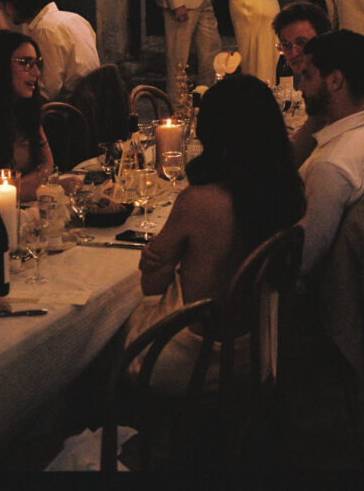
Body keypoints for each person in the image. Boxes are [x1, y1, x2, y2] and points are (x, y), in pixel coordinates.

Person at [124, 75, 306, 394]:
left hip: (196, 363)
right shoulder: (284, 193)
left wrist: (154, 263)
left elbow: (151, 288)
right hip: (256, 353)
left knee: (108, 334)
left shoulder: (197, 202)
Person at [272, 1, 364, 193]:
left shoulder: (335, 83)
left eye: (302, 43)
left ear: (324, 39)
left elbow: (296, 156)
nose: (294, 53)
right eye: (286, 45)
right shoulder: (331, 73)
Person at [297, 30, 364, 277]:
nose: (301, 86)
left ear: (335, 81)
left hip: (328, 291)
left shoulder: (330, 166)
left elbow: (304, 259)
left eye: (308, 76)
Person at [0, 0, 100, 102]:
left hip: (69, 110)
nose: (4, 11)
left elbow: (46, 92)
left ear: (17, 0)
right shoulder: (76, 19)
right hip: (92, 106)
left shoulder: (45, 30)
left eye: (5, 4)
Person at [0, 30, 54, 202]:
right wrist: (43, 186)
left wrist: (28, 186)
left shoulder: (25, 108)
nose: (36, 72)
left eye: (37, 63)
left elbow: (47, 165)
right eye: (25, 63)